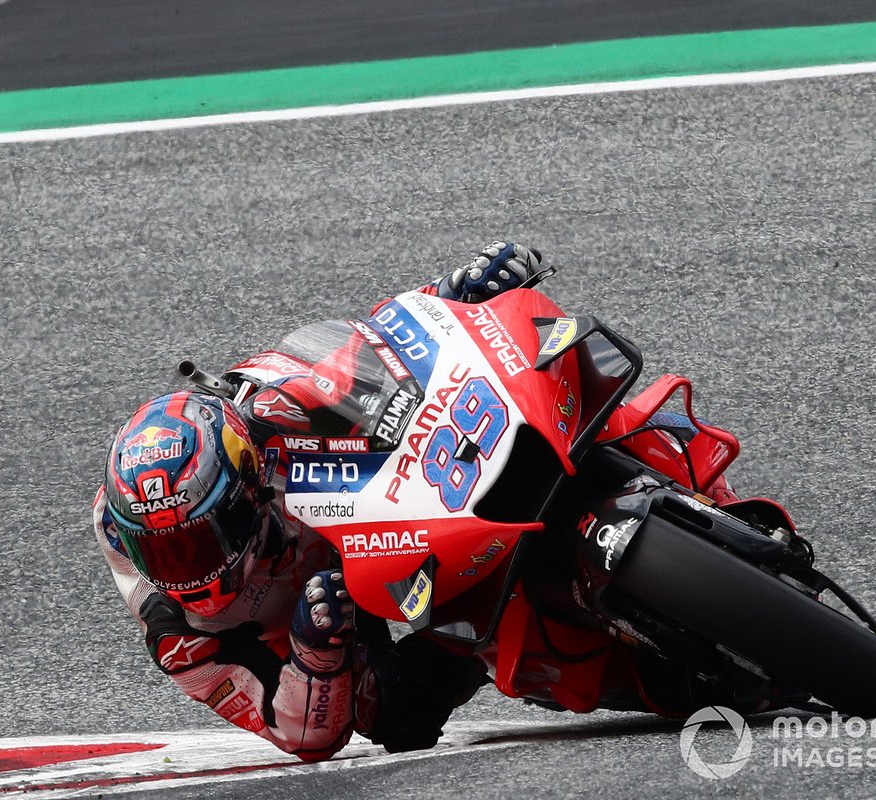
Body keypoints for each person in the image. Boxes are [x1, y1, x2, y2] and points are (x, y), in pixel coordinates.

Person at [93, 242, 543, 761]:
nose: (189, 573)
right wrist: (315, 655)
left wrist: (453, 294)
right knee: (398, 716)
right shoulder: (181, 632)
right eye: (165, 555)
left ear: (245, 491)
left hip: (345, 512)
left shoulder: (258, 422)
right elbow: (302, 736)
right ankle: (486, 632)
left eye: (199, 545)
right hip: (314, 607)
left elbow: (363, 355)